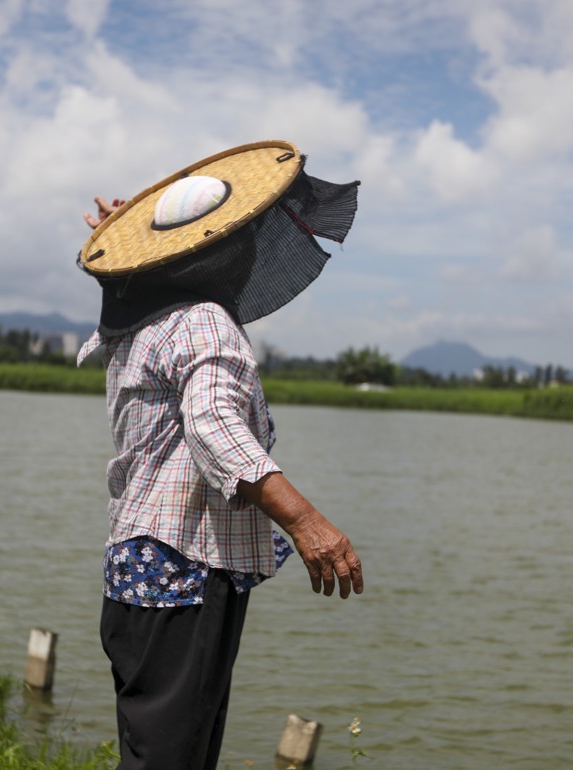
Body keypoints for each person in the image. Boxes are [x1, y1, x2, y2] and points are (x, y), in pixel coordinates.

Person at [74, 141, 365, 770]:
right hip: (184, 570)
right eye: (244, 239)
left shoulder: (138, 324)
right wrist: (306, 520)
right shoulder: (204, 321)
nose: (252, 250)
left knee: (158, 753)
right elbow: (214, 428)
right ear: (225, 252)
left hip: (136, 570)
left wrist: (127, 247)